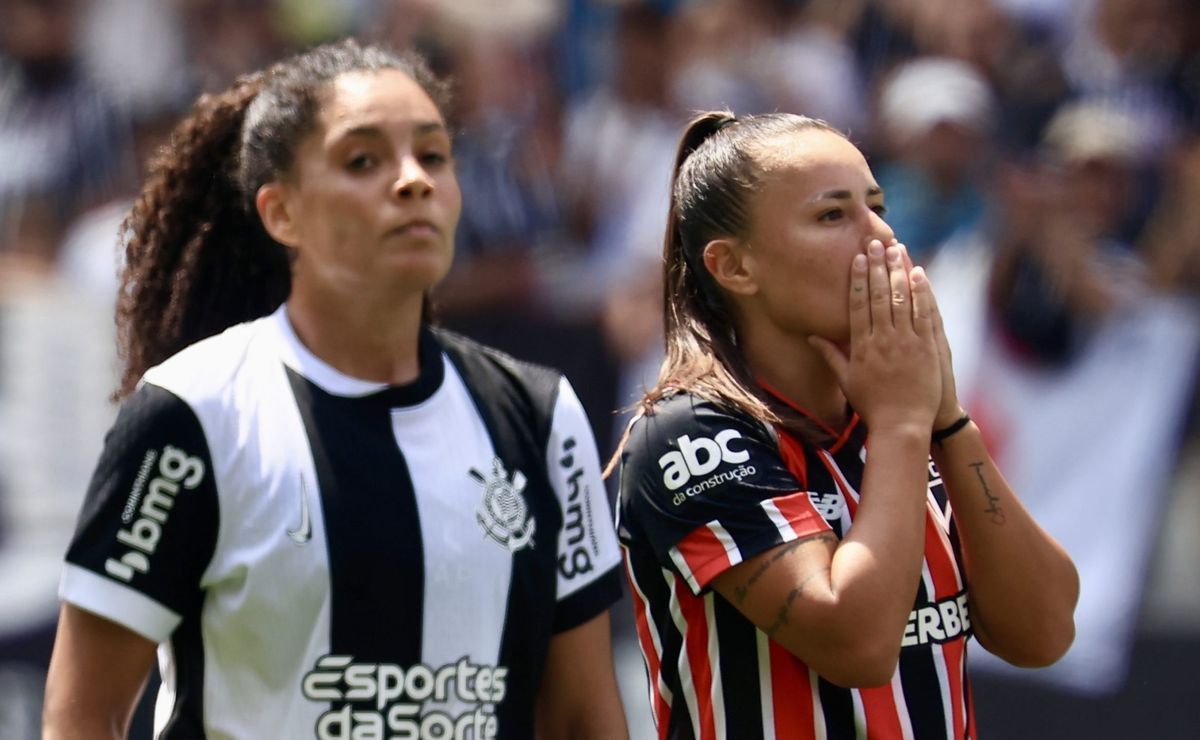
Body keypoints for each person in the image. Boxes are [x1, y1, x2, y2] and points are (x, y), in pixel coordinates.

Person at [42, 39, 628, 740]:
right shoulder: (191, 413)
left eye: (434, 155)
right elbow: (81, 713)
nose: (413, 181)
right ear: (281, 213)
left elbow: (583, 716)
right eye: (363, 160)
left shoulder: (540, 416)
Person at [613, 111, 1079, 738]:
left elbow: (1044, 632)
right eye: (832, 215)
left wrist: (947, 420)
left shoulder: (897, 417)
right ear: (734, 267)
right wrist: (906, 426)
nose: (882, 235)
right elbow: (856, 644)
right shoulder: (691, 434)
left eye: (876, 205)